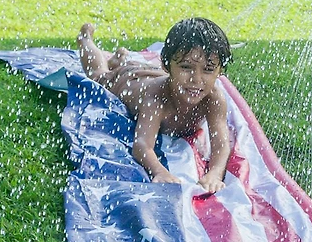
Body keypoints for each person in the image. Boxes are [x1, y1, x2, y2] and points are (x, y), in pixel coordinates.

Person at [77, 18, 232, 192]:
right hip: (127, 80)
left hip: (151, 74)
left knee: (141, 70)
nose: (196, 79)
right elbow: (142, 145)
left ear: (220, 71)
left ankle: (119, 60)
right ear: (166, 65)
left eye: (208, 69)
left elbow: (221, 144)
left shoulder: (213, 99)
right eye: (186, 67)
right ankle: (85, 40)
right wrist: (159, 171)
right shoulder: (157, 98)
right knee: (98, 76)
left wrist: (215, 174)